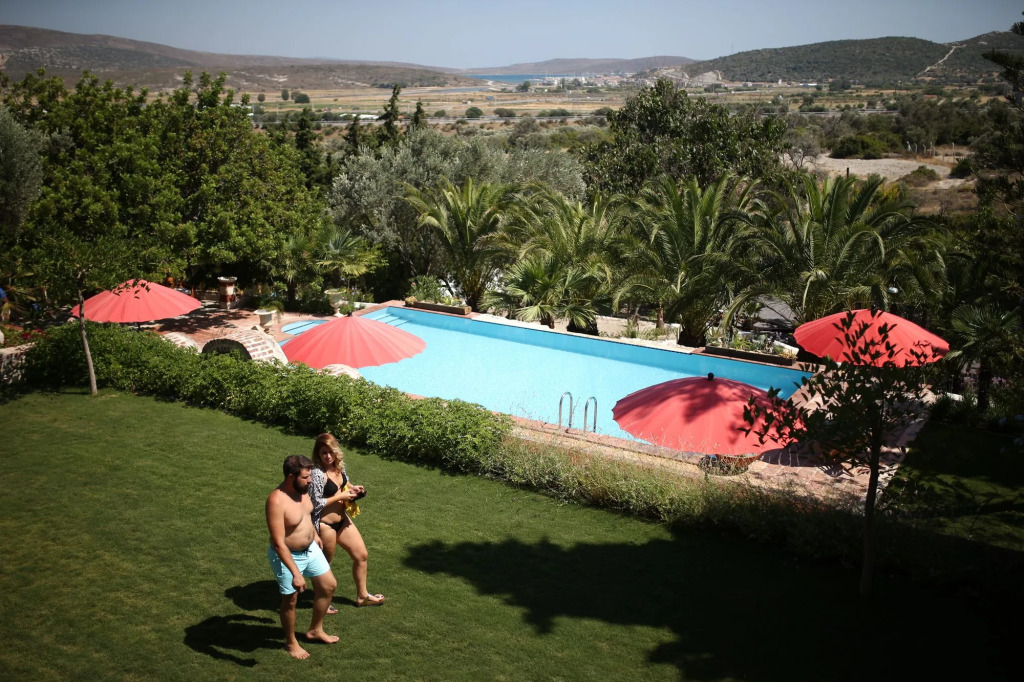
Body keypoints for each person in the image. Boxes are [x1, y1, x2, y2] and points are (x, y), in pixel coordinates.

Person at [266, 454, 339, 659]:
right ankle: (291, 643)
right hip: (288, 555)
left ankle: (315, 630)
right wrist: (296, 573)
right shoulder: (276, 501)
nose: (310, 481)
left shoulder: (303, 490)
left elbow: (306, 515)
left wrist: (314, 534)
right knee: (290, 600)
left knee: (328, 586)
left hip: (310, 549)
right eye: (306, 477)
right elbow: (278, 543)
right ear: (291, 477)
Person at [309, 433, 385, 609]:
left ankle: (362, 596)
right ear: (318, 454)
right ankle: (322, 602)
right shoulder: (317, 474)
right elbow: (314, 503)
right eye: (324, 453)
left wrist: (354, 489)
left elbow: (345, 484)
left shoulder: (338, 467)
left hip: (342, 521)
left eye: (331, 452)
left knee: (361, 555)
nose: (328, 456)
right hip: (325, 525)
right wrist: (340, 497)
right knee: (324, 566)